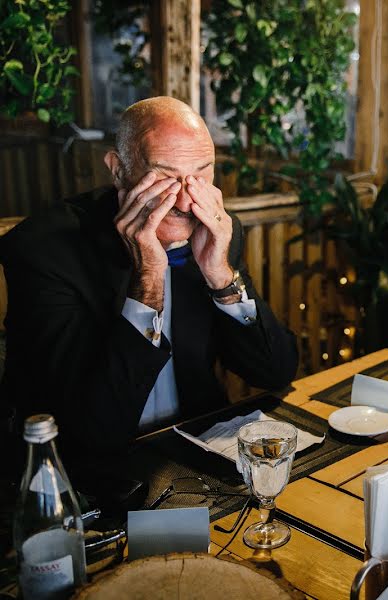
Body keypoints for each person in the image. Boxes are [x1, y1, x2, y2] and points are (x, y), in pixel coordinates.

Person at [0, 97, 299, 465]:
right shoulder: (44, 249)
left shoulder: (218, 230)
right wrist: (148, 280)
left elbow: (274, 372)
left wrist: (220, 276)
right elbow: (93, 429)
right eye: (166, 176)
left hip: (195, 449)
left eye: (201, 174)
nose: (188, 201)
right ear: (117, 169)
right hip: (80, 471)